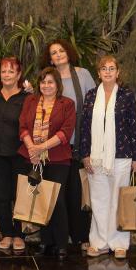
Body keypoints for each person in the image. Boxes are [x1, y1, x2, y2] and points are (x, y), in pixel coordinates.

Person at [80, 55, 136, 260]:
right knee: (98, 200)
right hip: (96, 158)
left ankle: (119, 244)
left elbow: (133, 126)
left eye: (111, 68)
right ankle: (99, 242)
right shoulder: (90, 96)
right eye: (104, 69)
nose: (107, 72)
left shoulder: (126, 95)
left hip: (121, 155)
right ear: (98, 73)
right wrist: (85, 155)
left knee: (117, 200)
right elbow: (85, 128)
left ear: (118, 72)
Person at [41, 39, 96, 252]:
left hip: (78, 143)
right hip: (53, 146)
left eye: (61, 51)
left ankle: (81, 236)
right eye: (53, 52)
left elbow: (92, 107)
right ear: (50, 58)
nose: (58, 55)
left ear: (69, 52)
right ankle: (54, 236)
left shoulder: (82, 75)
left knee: (77, 192)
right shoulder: (48, 78)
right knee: (56, 193)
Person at [18, 67, 76, 259]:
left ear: (57, 84)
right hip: (32, 158)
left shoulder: (67, 104)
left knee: (57, 201)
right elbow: (23, 126)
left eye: (50, 82)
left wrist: (40, 148)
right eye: (43, 82)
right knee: (40, 199)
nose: (46, 86)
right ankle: (45, 241)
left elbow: (65, 132)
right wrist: (31, 148)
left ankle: (61, 243)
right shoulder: (30, 101)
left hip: (58, 158)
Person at [0, 56, 29, 253]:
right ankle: (6, 234)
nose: (7, 75)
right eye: (3, 71)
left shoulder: (27, 98)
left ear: (18, 74)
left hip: (20, 154)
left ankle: (19, 234)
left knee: (19, 196)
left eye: (11, 71)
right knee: (1, 195)